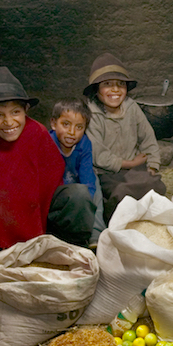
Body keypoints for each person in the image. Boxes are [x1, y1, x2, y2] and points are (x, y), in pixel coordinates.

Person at [0, 67, 94, 256]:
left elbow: (51, 180)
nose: (9, 121)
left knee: (78, 196)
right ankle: (4, 256)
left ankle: (72, 251)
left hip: (39, 213)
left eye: (15, 112)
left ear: (26, 110)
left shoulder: (36, 133)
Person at [84, 53, 166, 222]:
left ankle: (142, 221)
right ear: (96, 90)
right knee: (121, 194)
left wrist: (153, 164)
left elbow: (147, 137)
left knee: (157, 186)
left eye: (120, 85)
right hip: (106, 172)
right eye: (107, 85)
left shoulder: (131, 107)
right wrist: (131, 163)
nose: (115, 90)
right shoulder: (92, 114)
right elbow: (98, 154)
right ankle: (115, 224)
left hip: (134, 169)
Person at [49, 98, 104, 245]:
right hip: (56, 194)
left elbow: (88, 180)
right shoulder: (47, 143)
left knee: (95, 183)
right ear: (54, 124)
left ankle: (96, 233)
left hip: (78, 191)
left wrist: (85, 205)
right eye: (66, 125)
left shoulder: (84, 144)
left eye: (79, 127)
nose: (72, 132)